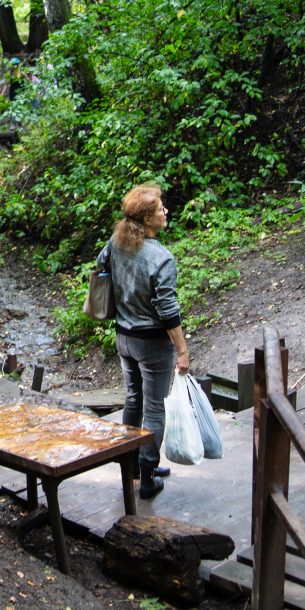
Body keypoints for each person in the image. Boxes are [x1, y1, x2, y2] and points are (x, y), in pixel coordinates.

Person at [96, 184, 189, 499]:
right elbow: (167, 310)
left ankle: (133, 462)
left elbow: (100, 263)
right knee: (155, 406)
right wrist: (183, 351)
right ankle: (147, 474)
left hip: (124, 338)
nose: (166, 211)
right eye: (160, 208)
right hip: (152, 344)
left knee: (133, 399)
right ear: (147, 220)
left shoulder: (118, 241)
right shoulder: (161, 257)